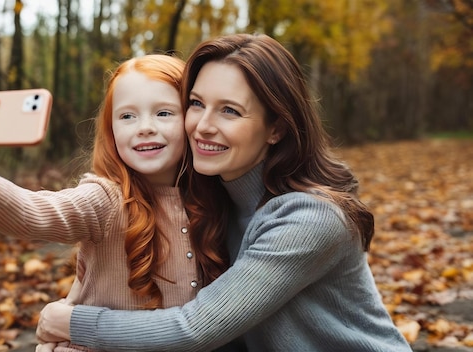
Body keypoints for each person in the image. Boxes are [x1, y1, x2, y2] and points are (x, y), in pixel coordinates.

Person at [34, 34, 413, 351]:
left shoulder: (310, 219)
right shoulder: (210, 199)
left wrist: (72, 322)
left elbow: (194, 328)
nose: (202, 126)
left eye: (229, 111)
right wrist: (71, 309)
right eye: (196, 104)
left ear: (276, 128)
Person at [0, 54, 232, 351]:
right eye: (127, 116)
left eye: (163, 113)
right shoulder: (106, 198)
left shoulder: (213, 196)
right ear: (111, 131)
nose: (145, 127)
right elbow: (33, 213)